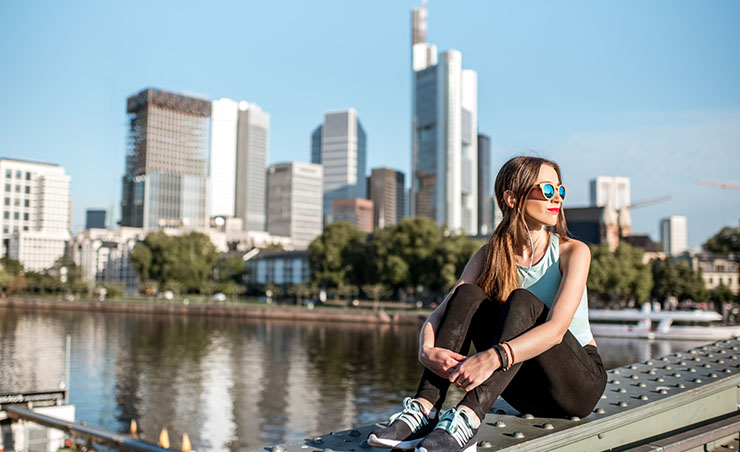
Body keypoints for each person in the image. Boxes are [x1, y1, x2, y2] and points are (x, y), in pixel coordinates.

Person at [367, 156, 607, 452]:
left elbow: (556, 330)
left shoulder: (574, 252)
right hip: (523, 388)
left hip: (576, 386)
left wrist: (493, 357)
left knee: (522, 301)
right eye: (547, 190)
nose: (556, 198)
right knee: (466, 295)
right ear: (512, 198)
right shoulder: (490, 254)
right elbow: (441, 313)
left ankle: (467, 418)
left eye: (560, 191)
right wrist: (425, 350)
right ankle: (426, 408)